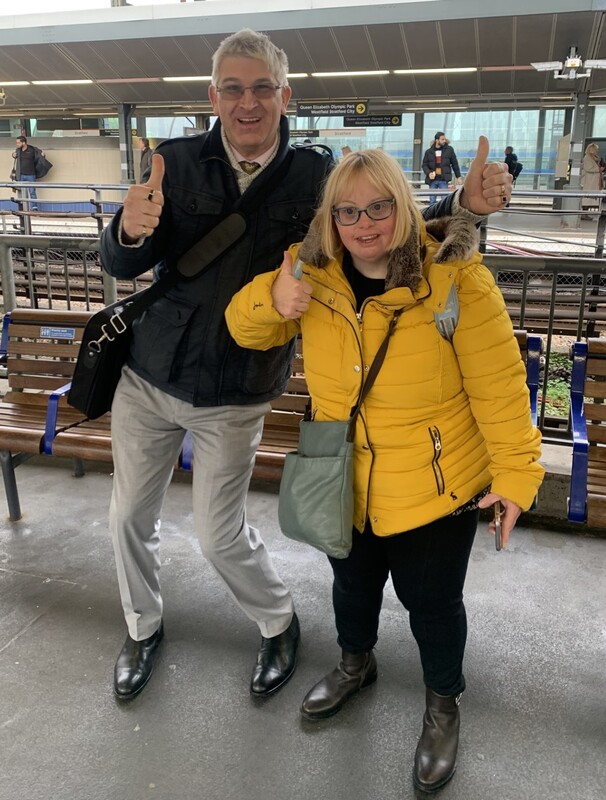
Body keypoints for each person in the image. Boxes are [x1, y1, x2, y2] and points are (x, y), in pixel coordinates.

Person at [99, 27, 514, 704]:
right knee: (125, 519)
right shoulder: (172, 164)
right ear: (213, 96)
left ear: (284, 95)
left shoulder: (316, 175)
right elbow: (123, 262)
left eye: (262, 87)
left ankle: (278, 622)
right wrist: (126, 230)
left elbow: (387, 225)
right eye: (232, 88)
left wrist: (465, 208)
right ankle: (141, 628)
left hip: (238, 386)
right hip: (150, 375)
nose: (248, 102)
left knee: (216, 532)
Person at [225, 149, 543, 792]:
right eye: (348, 211)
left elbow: (501, 389)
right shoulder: (310, 275)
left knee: (431, 604)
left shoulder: (457, 281)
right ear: (331, 218)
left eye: (379, 207)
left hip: (437, 485)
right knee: (352, 585)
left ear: (404, 206)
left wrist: (515, 477)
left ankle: (442, 705)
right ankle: (354, 664)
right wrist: (272, 296)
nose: (364, 223)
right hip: (346, 478)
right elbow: (244, 330)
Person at [10, 136, 52, 207]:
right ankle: (22, 207)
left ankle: (34, 207)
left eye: (18, 143)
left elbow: (40, 155)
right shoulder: (18, 150)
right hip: (21, 175)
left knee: (32, 192)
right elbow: (14, 155)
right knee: (21, 192)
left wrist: (43, 155)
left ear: (24, 143)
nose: (17, 144)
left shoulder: (32, 149)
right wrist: (13, 155)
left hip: (31, 175)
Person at [423, 132, 462, 203]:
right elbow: (424, 165)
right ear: (437, 140)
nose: (444, 141)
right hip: (432, 180)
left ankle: (444, 214)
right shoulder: (428, 152)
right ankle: (432, 214)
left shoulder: (449, 150)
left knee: (444, 200)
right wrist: (429, 173)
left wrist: (458, 176)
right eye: (442, 139)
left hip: (443, 179)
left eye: (444, 139)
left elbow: (455, 164)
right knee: (432, 200)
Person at [581, 142, 602, 220]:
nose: (597, 151)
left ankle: (586, 213)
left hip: (593, 180)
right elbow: (588, 168)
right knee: (587, 197)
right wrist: (599, 170)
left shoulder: (594, 158)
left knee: (590, 197)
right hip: (589, 180)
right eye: (596, 149)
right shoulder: (587, 158)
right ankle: (584, 213)